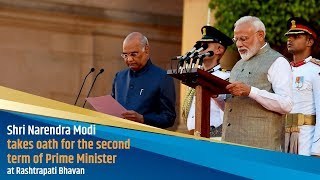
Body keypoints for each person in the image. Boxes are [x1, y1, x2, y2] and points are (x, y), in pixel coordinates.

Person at [221, 16, 293, 151]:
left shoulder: (277, 61)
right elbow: (232, 107)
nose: (238, 44)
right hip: (230, 144)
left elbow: (286, 104)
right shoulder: (238, 65)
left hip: (260, 148)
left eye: (243, 39)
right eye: (236, 40)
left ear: (260, 35)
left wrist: (251, 92)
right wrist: (216, 97)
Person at [111, 32, 176, 128]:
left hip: (145, 139)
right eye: (125, 55)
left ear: (146, 50)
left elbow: (169, 117)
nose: (129, 59)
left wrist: (143, 119)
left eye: (133, 54)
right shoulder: (119, 77)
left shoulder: (162, 77)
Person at [181, 26, 233, 138]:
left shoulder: (226, 78)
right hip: (192, 136)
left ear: (219, 50)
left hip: (214, 138)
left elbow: (229, 112)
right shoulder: (195, 77)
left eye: (205, 46)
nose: (201, 49)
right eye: (199, 46)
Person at [284, 17, 320, 156]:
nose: (290, 40)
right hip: (282, 136)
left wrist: (317, 149)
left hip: (306, 138)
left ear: (309, 41)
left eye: (296, 36)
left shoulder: (316, 70)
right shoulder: (284, 69)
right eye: (288, 36)